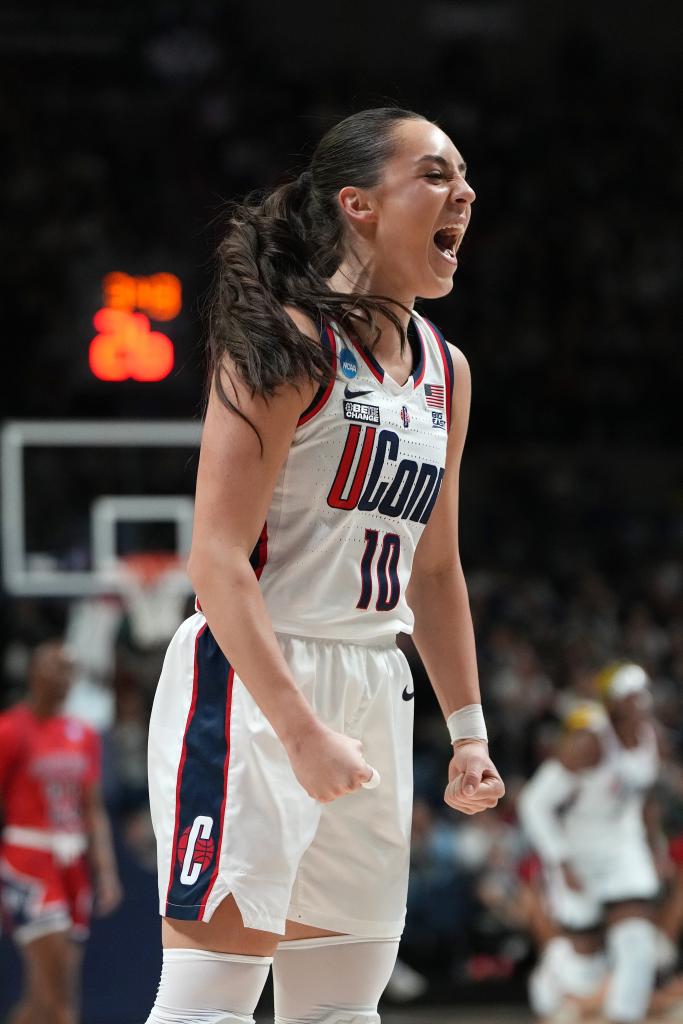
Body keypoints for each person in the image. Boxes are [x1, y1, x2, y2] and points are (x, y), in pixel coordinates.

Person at [145, 106, 505, 1024]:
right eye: (433, 174)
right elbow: (215, 558)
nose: (462, 191)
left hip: (374, 685)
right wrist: (298, 729)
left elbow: (434, 571)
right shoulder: (286, 342)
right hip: (257, 682)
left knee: (342, 1010)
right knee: (208, 1005)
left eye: (462, 175)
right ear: (357, 204)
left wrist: (468, 732)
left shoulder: (446, 371)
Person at [518, 664, 661, 1024]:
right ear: (613, 702)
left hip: (624, 847)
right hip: (578, 850)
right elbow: (533, 803)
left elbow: (644, 797)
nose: (641, 702)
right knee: (585, 955)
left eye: (644, 694)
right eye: (632, 696)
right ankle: (549, 988)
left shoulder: (649, 737)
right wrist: (559, 860)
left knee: (638, 941)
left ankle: (623, 1017)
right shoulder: (590, 741)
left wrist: (656, 847)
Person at [0, 640, 122, 1024]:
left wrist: (106, 870)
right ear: (35, 673)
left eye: (71, 669)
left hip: (72, 862)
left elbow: (93, 807)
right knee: (61, 997)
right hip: (28, 863)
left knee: (42, 999)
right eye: (57, 668)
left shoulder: (82, 733)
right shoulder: (10, 730)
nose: (65, 678)